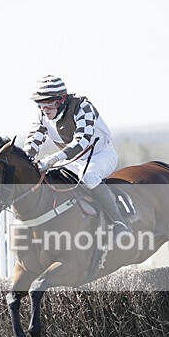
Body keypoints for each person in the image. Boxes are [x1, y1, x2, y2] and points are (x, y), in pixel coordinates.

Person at [24, 75, 131, 238]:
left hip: (100, 155)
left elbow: (82, 141)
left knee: (89, 176)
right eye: (40, 104)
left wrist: (53, 158)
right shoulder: (42, 116)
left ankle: (118, 222)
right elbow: (33, 142)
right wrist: (26, 161)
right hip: (72, 160)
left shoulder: (83, 107)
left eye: (49, 103)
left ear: (61, 100)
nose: (45, 109)